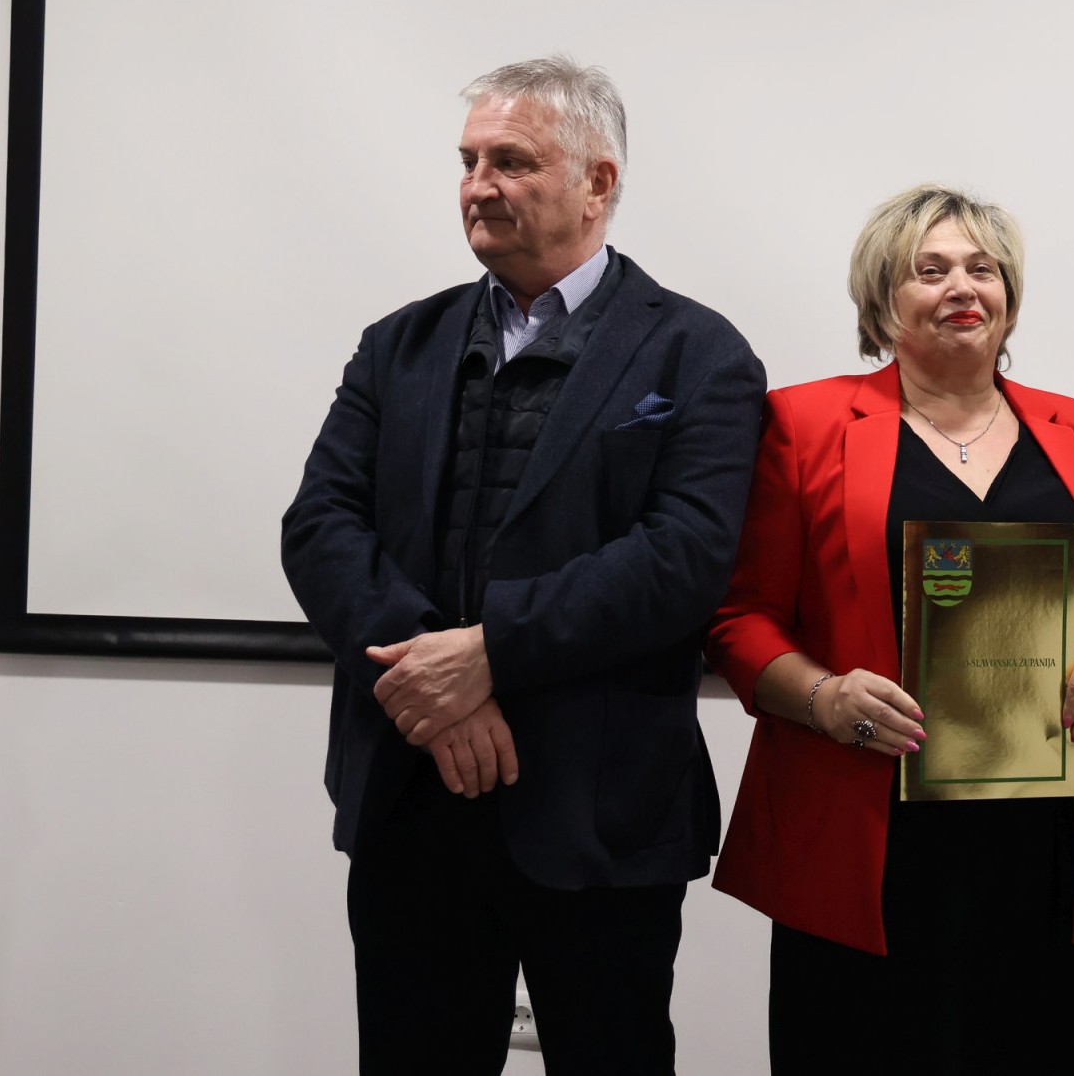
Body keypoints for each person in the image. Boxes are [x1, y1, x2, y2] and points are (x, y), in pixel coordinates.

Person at [280, 56, 765, 1075]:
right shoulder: (398, 345)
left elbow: (681, 559)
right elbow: (320, 525)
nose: (478, 185)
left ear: (598, 182)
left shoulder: (699, 353)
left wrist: (491, 651)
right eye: (468, 161)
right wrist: (436, 682)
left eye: (511, 161)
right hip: (412, 794)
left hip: (600, 810)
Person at [708, 185, 1074, 1074]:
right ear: (883, 299)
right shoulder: (804, 423)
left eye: (983, 269)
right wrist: (823, 697)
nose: (962, 287)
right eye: (931, 269)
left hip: (1037, 841)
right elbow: (739, 618)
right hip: (865, 837)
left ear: (1009, 294)